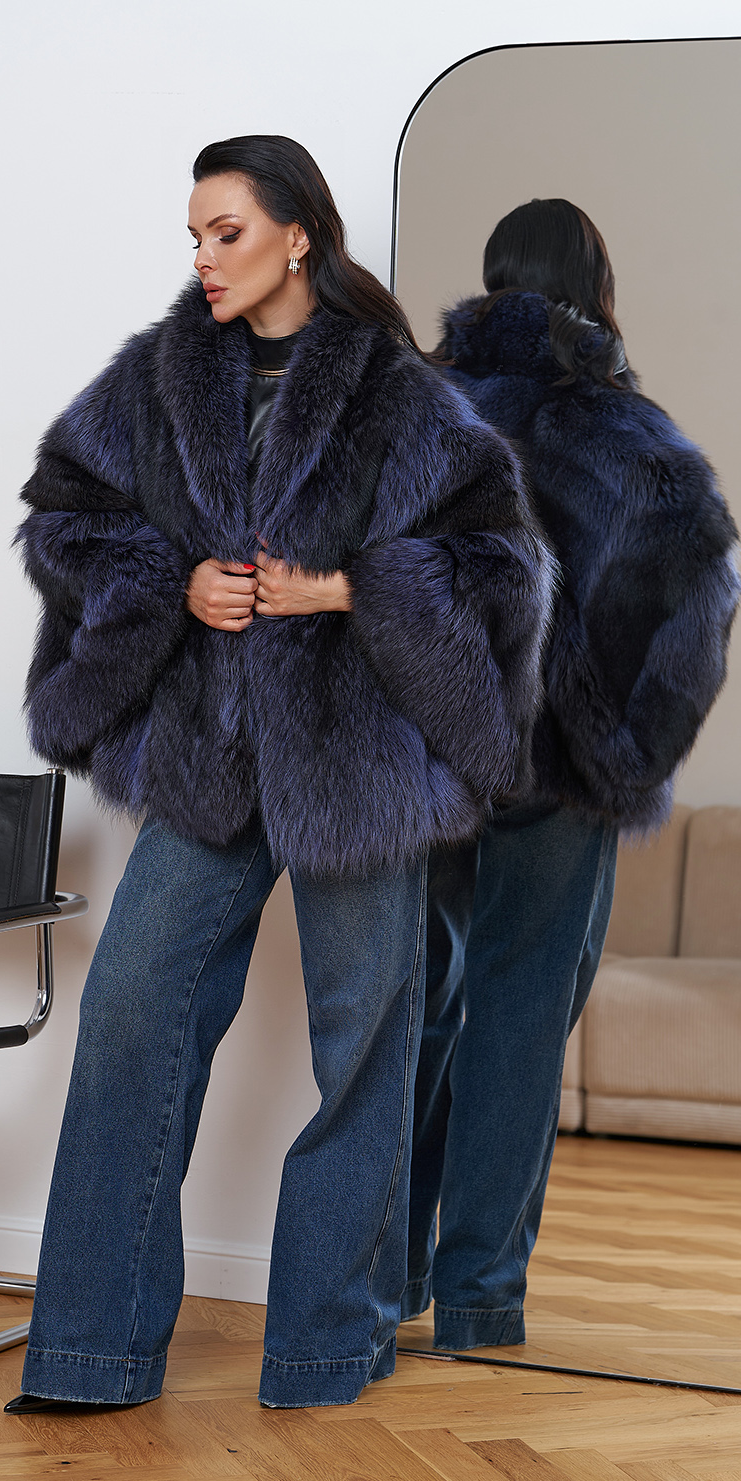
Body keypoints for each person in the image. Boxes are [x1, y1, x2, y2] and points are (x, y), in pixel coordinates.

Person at [6, 136, 552, 1414]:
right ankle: (91, 1350)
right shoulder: (155, 380)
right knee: (131, 1014)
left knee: (363, 1048)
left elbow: (504, 565)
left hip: (362, 772)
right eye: (194, 237)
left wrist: (353, 589)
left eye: (228, 232)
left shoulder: (402, 395)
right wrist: (173, 580)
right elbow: (62, 518)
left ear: (298, 235)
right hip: (209, 761)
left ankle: (320, 1349)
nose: (205, 259)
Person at [404, 197, 740, 1352]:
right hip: (561, 770)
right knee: (518, 1015)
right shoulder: (621, 429)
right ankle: (477, 1299)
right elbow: (705, 590)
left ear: (491, 279)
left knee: (419, 1006)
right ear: (596, 291)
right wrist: (628, 748)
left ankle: (389, 1277)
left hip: (437, 760)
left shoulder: (423, 412)